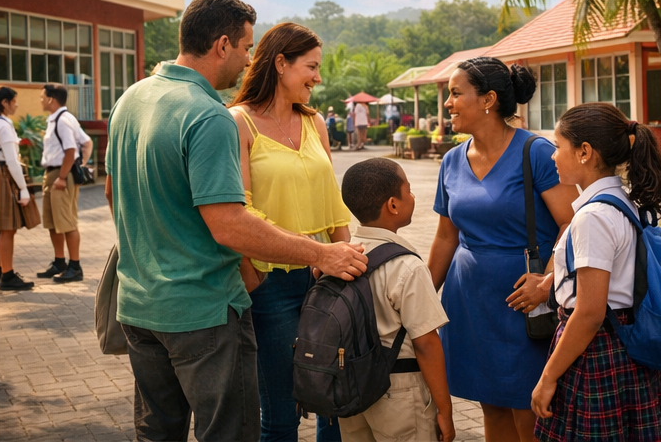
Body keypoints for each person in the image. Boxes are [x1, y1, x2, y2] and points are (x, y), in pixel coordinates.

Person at [106, 0, 368, 442]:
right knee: (233, 432)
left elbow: (113, 193)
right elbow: (229, 223)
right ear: (222, 45)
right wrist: (318, 255)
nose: (249, 60)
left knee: (158, 433)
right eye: (246, 47)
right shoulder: (210, 115)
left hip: (139, 306)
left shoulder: (132, 98)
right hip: (202, 309)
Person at [428, 57, 578, 442]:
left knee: (531, 414)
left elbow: (572, 223)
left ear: (488, 99)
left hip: (525, 306)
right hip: (468, 304)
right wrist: (421, 299)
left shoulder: (536, 152)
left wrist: (547, 280)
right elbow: (446, 238)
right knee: (491, 408)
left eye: (456, 93)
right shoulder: (451, 161)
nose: (447, 103)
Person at [228, 23, 355, 442]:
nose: (318, 78)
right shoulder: (238, 122)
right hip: (271, 285)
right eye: (311, 67)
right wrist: (251, 275)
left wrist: (349, 264)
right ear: (281, 63)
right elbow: (238, 211)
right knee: (281, 414)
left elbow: (333, 206)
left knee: (334, 404)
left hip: (326, 277)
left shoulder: (315, 123)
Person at [530, 104, 661, 441]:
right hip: (625, 347)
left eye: (558, 146)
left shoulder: (593, 216)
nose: (553, 156)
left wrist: (547, 378)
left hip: (598, 351)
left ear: (584, 152)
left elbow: (590, 313)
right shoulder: (621, 201)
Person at [338, 159, 454, 442]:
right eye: (409, 190)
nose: (413, 196)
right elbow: (426, 344)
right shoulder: (407, 266)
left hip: (352, 386)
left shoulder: (341, 257)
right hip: (400, 391)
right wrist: (445, 409)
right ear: (393, 205)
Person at [0, 86, 39, 291]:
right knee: (7, 228)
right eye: (14, 101)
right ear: (5, 103)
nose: (16, 105)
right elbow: (12, 160)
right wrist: (23, 188)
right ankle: (8, 276)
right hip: (3, 175)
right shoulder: (3, 125)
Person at [37, 83, 92, 283]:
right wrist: (81, 164)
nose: (40, 100)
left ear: (51, 99)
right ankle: (59, 262)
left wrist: (63, 176)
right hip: (54, 173)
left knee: (67, 222)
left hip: (61, 174)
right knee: (53, 223)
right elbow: (87, 142)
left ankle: (75, 267)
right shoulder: (59, 118)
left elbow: (70, 150)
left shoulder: (62, 120)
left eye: (42, 96)